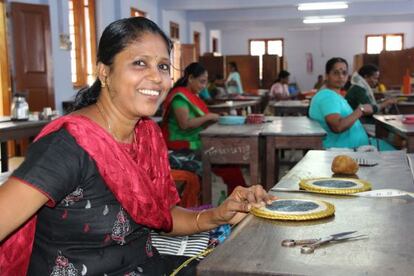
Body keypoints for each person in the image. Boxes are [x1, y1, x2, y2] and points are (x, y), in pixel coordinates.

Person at [0, 17, 275, 275]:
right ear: (105, 72)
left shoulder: (147, 136)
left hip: (147, 265)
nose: (156, 77)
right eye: (140, 63)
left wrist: (217, 215)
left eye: (163, 66)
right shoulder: (68, 147)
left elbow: (162, 217)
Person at [162, 62, 247, 194]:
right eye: (201, 82)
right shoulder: (179, 97)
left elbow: (200, 119)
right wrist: (208, 117)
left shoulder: (192, 96)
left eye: (205, 82)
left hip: (196, 142)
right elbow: (185, 124)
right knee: (226, 162)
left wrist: (215, 117)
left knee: (230, 163)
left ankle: (239, 195)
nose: (204, 86)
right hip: (182, 146)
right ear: (190, 78)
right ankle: (238, 195)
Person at [309, 57, 394, 151]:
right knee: (398, 154)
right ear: (327, 75)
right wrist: (361, 110)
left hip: (356, 146)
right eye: (336, 73)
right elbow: (338, 126)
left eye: (344, 73)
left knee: (395, 146)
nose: (341, 76)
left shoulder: (334, 95)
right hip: (345, 150)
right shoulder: (328, 96)